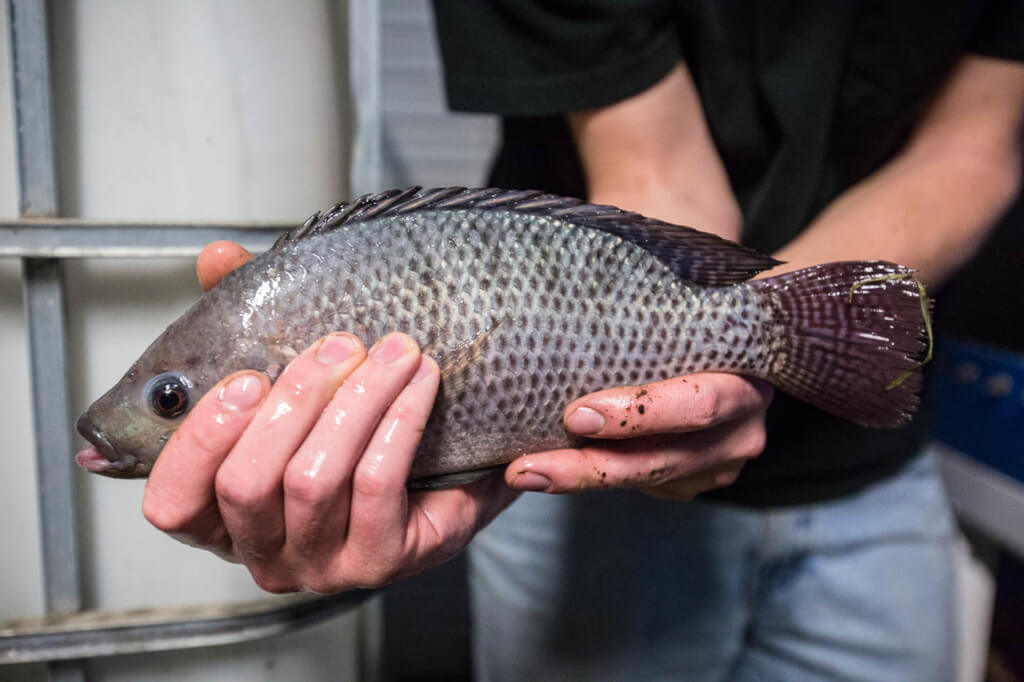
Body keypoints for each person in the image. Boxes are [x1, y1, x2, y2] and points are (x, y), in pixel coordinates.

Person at [140, 1, 1024, 680]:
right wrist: (731, 338)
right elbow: (653, 168)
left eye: (168, 397)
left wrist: (776, 323)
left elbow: (976, 146)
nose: (158, 411)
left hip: (878, 469)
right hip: (596, 500)